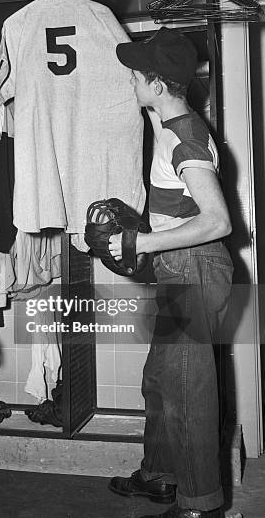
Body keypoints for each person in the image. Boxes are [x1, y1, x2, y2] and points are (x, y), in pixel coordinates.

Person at [109, 27, 233, 518]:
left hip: (194, 271)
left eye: (136, 76)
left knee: (187, 395)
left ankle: (199, 505)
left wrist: (141, 241)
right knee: (160, 381)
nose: (131, 82)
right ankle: (161, 475)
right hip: (180, 269)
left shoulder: (184, 137)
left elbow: (217, 220)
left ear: (157, 83)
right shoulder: (168, 124)